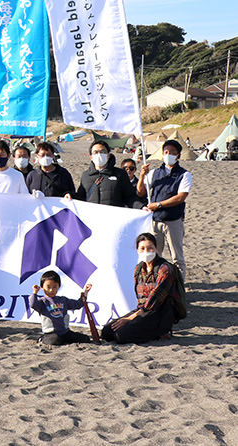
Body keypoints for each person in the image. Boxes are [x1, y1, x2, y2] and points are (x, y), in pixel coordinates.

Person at [101, 233, 179, 344]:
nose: (146, 251)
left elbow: (154, 301)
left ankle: (160, 333)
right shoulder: (139, 269)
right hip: (141, 311)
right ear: (137, 250)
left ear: (156, 249)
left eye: (150, 248)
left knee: (121, 336)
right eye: (142, 248)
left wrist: (129, 319)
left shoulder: (165, 270)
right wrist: (133, 317)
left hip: (159, 314)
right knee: (107, 332)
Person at [137, 140, 192, 281]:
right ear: (162, 154)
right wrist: (142, 175)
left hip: (173, 221)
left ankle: (178, 289)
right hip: (155, 221)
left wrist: (159, 205)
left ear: (178, 156)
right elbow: (141, 192)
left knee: (177, 258)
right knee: (154, 256)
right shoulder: (154, 173)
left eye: (172, 152)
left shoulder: (184, 175)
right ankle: (156, 286)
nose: (169, 155)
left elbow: (180, 197)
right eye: (166, 152)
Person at [29, 271, 93, 346]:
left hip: (65, 332)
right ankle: (42, 339)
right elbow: (32, 304)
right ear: (42, 287)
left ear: (59, 287)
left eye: (54, 287)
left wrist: (85, 292)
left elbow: (78, 304)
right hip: (50, 333)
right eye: (48, 287)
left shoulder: (63, 300)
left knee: (85, 339)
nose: (51, 290)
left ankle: (64, 339)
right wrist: (35, 293)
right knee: (55, 340)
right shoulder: (42, 302)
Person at [75, 141, 138, 207]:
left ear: (108, 155)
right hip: (91, 215)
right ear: (91, 157)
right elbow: (80, 197)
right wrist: (69, 195)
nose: (99, 154)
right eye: (95, 152)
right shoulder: (85, 175)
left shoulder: (120, 174)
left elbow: (130, 197)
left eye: (103, 152)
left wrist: (141, 207)